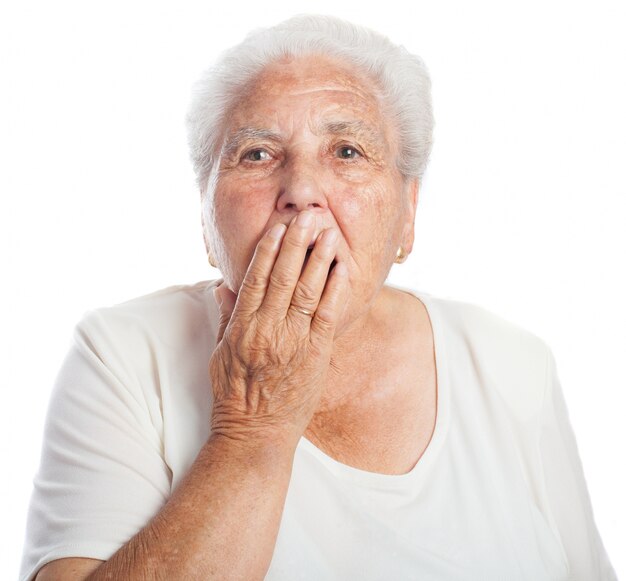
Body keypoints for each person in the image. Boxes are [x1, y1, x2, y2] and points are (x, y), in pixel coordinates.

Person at [20, 13, 617, 581]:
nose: (301, 191)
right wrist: (253, 427)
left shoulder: (513, 364)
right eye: (257, 154)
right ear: (205, 222)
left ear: (407, 215)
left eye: (347, 151)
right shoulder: (121, 355)